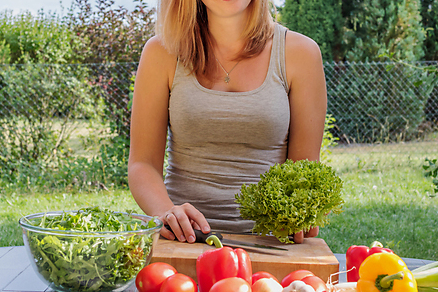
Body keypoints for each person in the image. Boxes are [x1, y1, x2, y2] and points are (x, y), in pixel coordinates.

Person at [128, 0, 327, 244]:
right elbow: (143, 164)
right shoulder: (162, 52)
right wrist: (166, 212)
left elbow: (304, 169)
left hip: (271, 243)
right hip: (185, 240)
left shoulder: (301, 53)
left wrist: (303, 209)